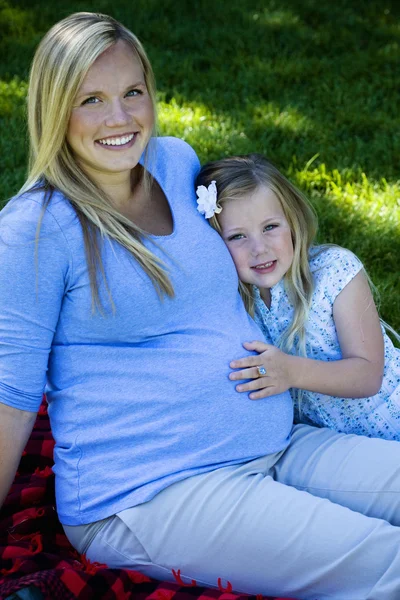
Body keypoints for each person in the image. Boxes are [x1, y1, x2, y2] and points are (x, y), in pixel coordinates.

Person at [1, 12, 400, 600]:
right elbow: (8, 397)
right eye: (91, 99)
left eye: (133, 92)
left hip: (276, 442)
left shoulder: (174, 161)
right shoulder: (34, 230)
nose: (120, 118)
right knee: (387, 563)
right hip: (153, 491)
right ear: (54, 109)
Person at [195, 154, 400, 441]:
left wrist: (290, 372)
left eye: (270, 227)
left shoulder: (334, 272)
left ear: (293, 222)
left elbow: (368, 375)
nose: (259, 248)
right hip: (329, 445)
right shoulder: (235, 301)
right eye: (237, 236)